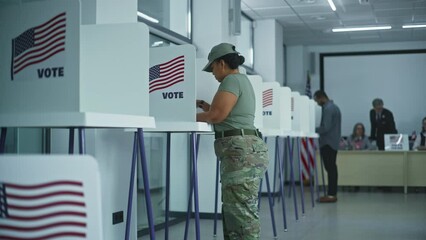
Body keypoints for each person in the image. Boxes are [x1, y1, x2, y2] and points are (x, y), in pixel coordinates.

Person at [196, 43, 268, 239]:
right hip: (244, 151)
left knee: (240, 210)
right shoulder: (240, 81)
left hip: (240, 153)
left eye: (212, 67)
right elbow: (228, 115)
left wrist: (188, 116)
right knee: (236, 208)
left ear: (221, 63)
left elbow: (218, 115)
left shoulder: (231, 81)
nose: (212, 72)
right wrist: (205, 107)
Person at [314, 90, 341, 203]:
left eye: (317, 100)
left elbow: (325, 127)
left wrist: (311, 129)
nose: (317, 103)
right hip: (332, 142)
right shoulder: (334, 107)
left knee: (330, 168)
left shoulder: (328, 109)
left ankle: (331, 195)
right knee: (331, 168)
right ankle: (332, 193)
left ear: (321, 98)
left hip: (328, 142)